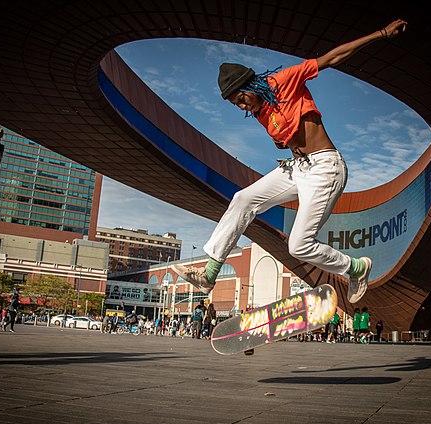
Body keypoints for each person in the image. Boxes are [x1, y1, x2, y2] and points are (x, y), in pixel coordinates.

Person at [171, 19, 408, 304]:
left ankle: (356, 268)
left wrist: (380, 33)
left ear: (250, 84)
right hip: (297, 169)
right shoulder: (260, 113)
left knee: (299, 245)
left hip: (325, 168)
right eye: (237, 105)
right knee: (244, 199)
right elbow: (286, 136)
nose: (244, 107)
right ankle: (210, 273)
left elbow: (332, 57)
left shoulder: (283, 81)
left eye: (242, 99)